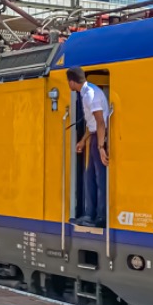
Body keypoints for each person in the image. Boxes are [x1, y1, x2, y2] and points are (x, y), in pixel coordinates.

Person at [67, 67, 110, 228]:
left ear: (71, 82)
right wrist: (83, 140)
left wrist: (100, 147)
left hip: (99, 138)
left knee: (99, 178)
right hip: (94, 136)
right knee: (89, 177)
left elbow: (100, 122)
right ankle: (89, 215)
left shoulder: (90, 95)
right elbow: (92, 124)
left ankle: (100, 217)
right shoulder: (87, 93)